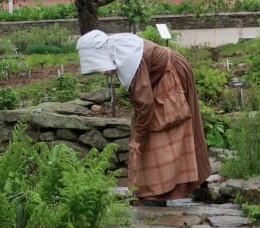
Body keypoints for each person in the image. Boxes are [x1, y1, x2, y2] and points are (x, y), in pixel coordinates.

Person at [76, 30, 211, 207]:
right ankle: (158, 190)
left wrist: (137, 139)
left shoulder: (129, 58)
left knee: (161, 133)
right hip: (163, 75)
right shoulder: (115, 47)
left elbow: (145, 105)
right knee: (151, 134)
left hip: (170, 74)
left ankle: (157, 193)